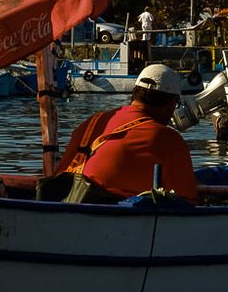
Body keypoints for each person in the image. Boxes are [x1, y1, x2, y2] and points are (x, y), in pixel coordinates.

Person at [50, 63, 199, 202]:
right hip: (111, 217)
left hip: (62, 203)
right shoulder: (168, 139)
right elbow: (188, 200)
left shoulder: (91, 123)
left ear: (134, 95)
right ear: (171, 104)